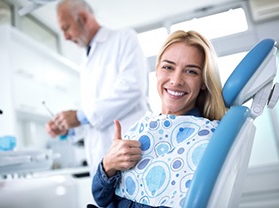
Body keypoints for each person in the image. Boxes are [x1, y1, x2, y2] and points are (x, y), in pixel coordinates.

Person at [91, 30, 227, 208]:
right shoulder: (144, 127)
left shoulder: (204, 137)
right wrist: (108, 165)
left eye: (191, 71)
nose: (176, 80)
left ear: (203, 81)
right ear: (156, 71)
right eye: (168, 67)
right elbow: (101, 198)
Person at [45, 0, 149, 176]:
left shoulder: (123, 38)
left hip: (129, 154)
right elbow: (94, 116)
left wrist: (78, 116)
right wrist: (68, 126)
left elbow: (132, 88)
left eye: (66, 28)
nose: (65, 37)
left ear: (84, 18)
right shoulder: (85, 59)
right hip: (102, 162)